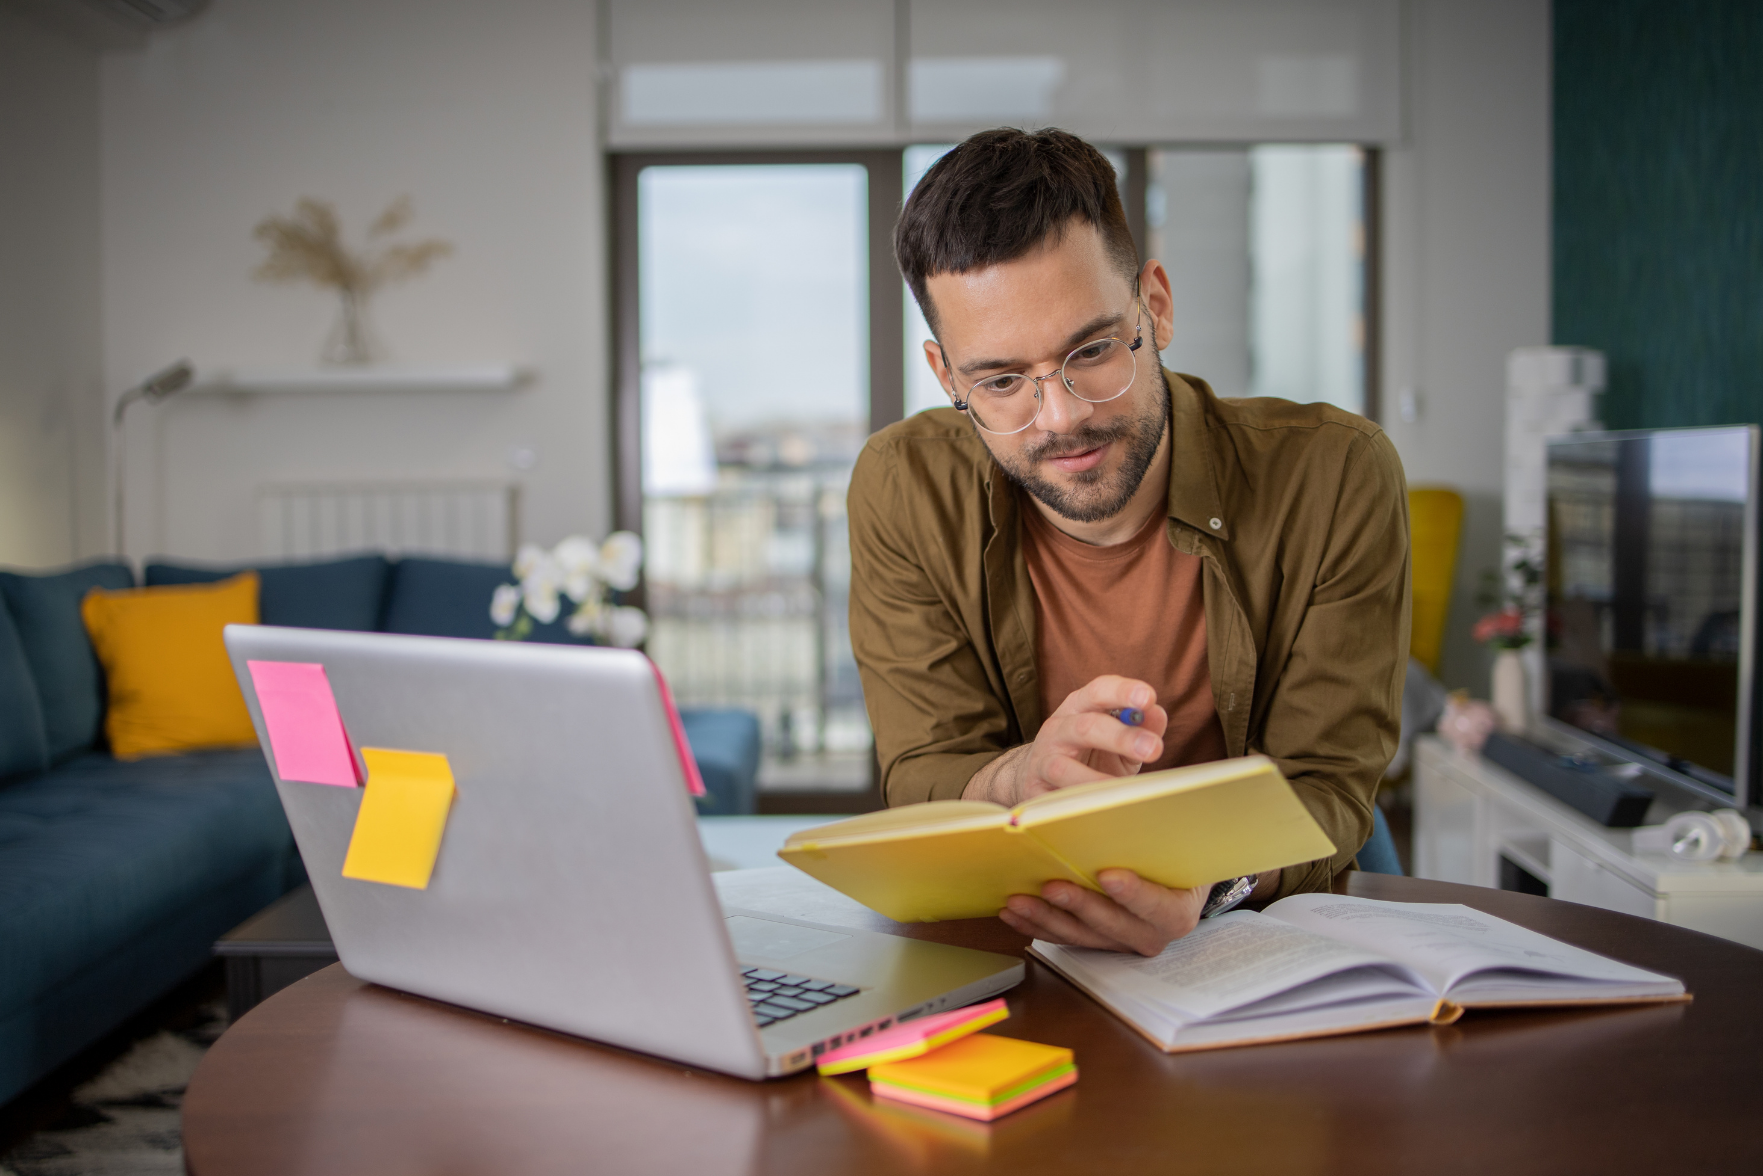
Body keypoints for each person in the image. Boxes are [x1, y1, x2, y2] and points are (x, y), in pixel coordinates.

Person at [848, 128, 1410, 957]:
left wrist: (1208, 887)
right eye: (1001, 381)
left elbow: (1325, 784)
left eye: (1092, 350)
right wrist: (1021, 776)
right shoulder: (903, 485)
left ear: (1155, 305)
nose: (1062, 414)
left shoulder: (1335, 473)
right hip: (1024, 940)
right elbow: (924, 769)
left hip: (1254, 934)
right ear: (945, 376)